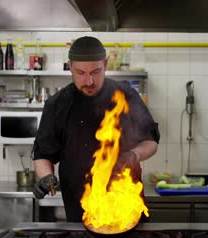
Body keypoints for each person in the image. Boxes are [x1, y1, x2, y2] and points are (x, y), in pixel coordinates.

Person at [32, 36, 160, 222]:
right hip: (81, 211)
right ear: (70, 66)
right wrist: (46, 177)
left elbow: (151, 141)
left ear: (106, 64)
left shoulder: (126, 96)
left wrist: (134, 155)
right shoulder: (57, 104)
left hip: (126, 206)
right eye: (80, 73)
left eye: (95, 72)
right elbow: (44, 153)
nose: (89, 80)